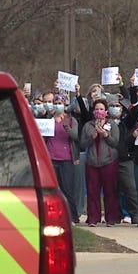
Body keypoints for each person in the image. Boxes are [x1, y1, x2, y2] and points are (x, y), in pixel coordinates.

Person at [79, 99, 120, 227]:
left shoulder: (112, 124)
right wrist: (93, 137)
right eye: (96, 109)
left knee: (110, 191)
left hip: (108, 162)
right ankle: (93, 218)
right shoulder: (88, 126)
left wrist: (106, 135)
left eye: (101, 109)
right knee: (92, 192)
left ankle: (111, 218)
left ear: (106, 111)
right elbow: (82, 144)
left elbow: (115, 142)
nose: (99, 111)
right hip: (92, 163)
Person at [42, 92, 80, 223]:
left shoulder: (71, 120)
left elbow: (75, 136)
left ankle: (73, 217)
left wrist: (66, 126)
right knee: (52, 190)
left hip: (66, 159)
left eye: (60, 103)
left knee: (67, 189)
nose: (58, 106)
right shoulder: (49, 120)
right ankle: (54, 216)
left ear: (65, 105)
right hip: (51, 158)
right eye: (56, 103)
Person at [106, 93, 138, 224]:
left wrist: (129, 90)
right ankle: (115, 215)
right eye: (112, 106)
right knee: (112, 190)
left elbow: (135, 112)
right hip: (109, 160)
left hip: (125, 160)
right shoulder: (105, 123)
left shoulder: (125, 123)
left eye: (117, 106)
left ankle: (136, 214)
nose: (115, 108)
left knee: (130, 188)